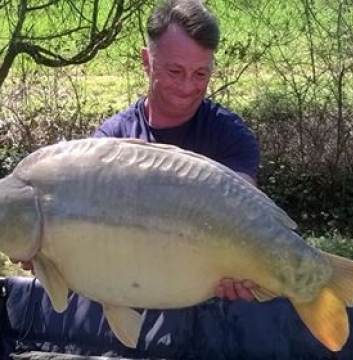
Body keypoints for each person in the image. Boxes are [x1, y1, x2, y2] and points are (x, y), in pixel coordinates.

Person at [93, 0, 260, 301]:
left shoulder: (230, 135)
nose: (187, 87)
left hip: (212, 311)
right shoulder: (111, 141)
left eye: (200, 74)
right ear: (147, 61)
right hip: (135, 300)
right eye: (175, 71)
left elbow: (244, 214)